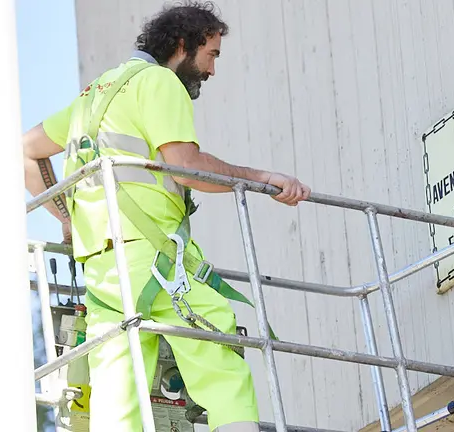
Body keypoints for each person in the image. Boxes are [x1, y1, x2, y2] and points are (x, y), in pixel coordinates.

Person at [22, 2, 311, 430]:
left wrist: (66, 217)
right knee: (218, 354)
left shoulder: (96, 93)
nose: (212, 70)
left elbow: (26, 152)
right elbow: (186, 167)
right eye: (211, 54)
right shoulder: (159, 82)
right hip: (153, 259)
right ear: (181, 44)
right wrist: (262, 179)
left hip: (102, 269)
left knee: (118, 391)